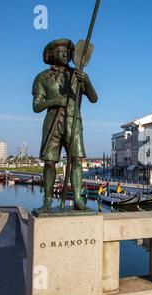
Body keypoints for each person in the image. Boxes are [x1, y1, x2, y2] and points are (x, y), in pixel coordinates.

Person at [33, 39, 98, 212]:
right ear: (50, 55)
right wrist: (54, 101)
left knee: (76, 160)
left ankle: (77, 199)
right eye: (61, 51)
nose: (65, 55)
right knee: (49, 162)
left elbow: (93, 98)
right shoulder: (42, 78)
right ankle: (47, 200)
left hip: (73, 121)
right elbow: (36, 106)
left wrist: (87, 81)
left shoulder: (77, 75)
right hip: (52, 123)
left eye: (67, 52)